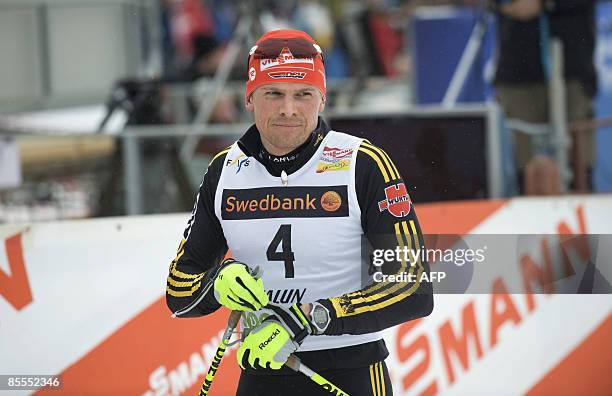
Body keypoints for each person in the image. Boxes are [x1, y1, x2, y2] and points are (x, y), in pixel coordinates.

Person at [166, 29, 433, 395]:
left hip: (350, 366)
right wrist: (217, 284)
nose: (288, 109)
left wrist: (309, 318)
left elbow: (413, 285)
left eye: (303, 94)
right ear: (249, 98)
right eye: (273, 93)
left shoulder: (362, 163)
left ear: (321, 100)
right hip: (262, 369)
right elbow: (179, 293)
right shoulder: (224, 171)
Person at [493, 0, 597, 192]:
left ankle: (579, 215)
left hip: (573, 63)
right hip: (517, 67)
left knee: (579, 163)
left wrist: (545, 3)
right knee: (527, 168)